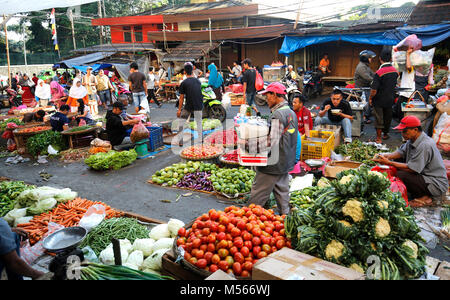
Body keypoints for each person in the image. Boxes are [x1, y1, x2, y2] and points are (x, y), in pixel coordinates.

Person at [373, 115, 449, 208]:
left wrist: (389, 163)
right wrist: (386, 156)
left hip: (435, 183)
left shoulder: (425, 145)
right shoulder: (413, 139)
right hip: (422, 174)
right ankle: (416, 190)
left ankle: (425, 197)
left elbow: (412, 169)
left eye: (405, 131)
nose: (402, 134)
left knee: (401, 174)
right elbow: (401, 152)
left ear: (415, 130)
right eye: (401, 131)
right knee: (397, 161)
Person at [248, 82, 298, 215]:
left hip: (272, 165)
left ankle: (249, 223)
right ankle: (286, 221)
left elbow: (271, 141)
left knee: (256, 200)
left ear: (275, 95)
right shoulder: (291, 112)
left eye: (268, 96)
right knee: (283, 196)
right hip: (285, 162)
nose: (266, 99)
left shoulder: (277, 115)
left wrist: (250, 146)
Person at [369, 49, 399, 144]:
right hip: (390, 98)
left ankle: (378, 138)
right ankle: (385, 134)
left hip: (379, 99)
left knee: (379, 118)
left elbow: (374, 90)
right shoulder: (395, 71)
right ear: (390, 59)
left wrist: (370, 98)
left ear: (380, 58)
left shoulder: (379, 72)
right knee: (387, 117)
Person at [177, 62, 203, 144]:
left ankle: (180, 141)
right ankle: (200, 139)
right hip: (199, 104)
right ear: (192, 71)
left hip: (189, 105)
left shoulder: (184, 83)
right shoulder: (198, 81)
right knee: (199, 122)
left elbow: (181, 98)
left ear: (184, 71)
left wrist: (179, 110)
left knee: (181, 122)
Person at [354, 50, 376, 124]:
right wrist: (376, 81)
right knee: (365, 103)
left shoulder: (365, 66)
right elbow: (367, 77)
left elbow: (372, 74)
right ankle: (364, 117)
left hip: (365, 88)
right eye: (369, 58)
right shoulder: (361, 67)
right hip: (361, 89)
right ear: (365, 58)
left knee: (367, 102)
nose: (371, 59)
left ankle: (366, 115)